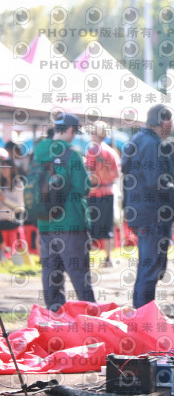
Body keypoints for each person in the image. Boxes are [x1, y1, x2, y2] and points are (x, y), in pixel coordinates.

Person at [121, 104, 174, 309]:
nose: (172, 126)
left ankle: (144, 313)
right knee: (150, 268)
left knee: (151, 266)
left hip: (140, 211)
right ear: (164, 121)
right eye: (170, 121)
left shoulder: (136, 140)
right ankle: (143, 315)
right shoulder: (152, 144)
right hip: (153, 213)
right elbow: (157, 181)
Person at [35, 113, 96, 311]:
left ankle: (55, 317)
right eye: (75, 132)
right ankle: (91, 317)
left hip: (45, 222)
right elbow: (83, 187)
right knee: (79, 275)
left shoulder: (38, 152)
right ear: (70, 130)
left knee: (51, 273)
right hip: (71, 223)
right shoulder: (72, 155)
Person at [85, 121, 121, 268]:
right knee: (107, 227)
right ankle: (108, 259)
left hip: (94, 193)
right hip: (108, 192)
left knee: (90, 227)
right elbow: (116, 174)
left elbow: (88, 172)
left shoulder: (92, 151)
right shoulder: (111, 152)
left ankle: (86, 258)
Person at [0, 150, 24, 260]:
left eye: (5, 167)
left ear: (12, 168)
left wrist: (5, 200)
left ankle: (5, 253)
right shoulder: (1, 184)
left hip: (12, 221)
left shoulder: (18, 184)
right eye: (1, 168)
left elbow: (20, 208)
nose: (3, 170)